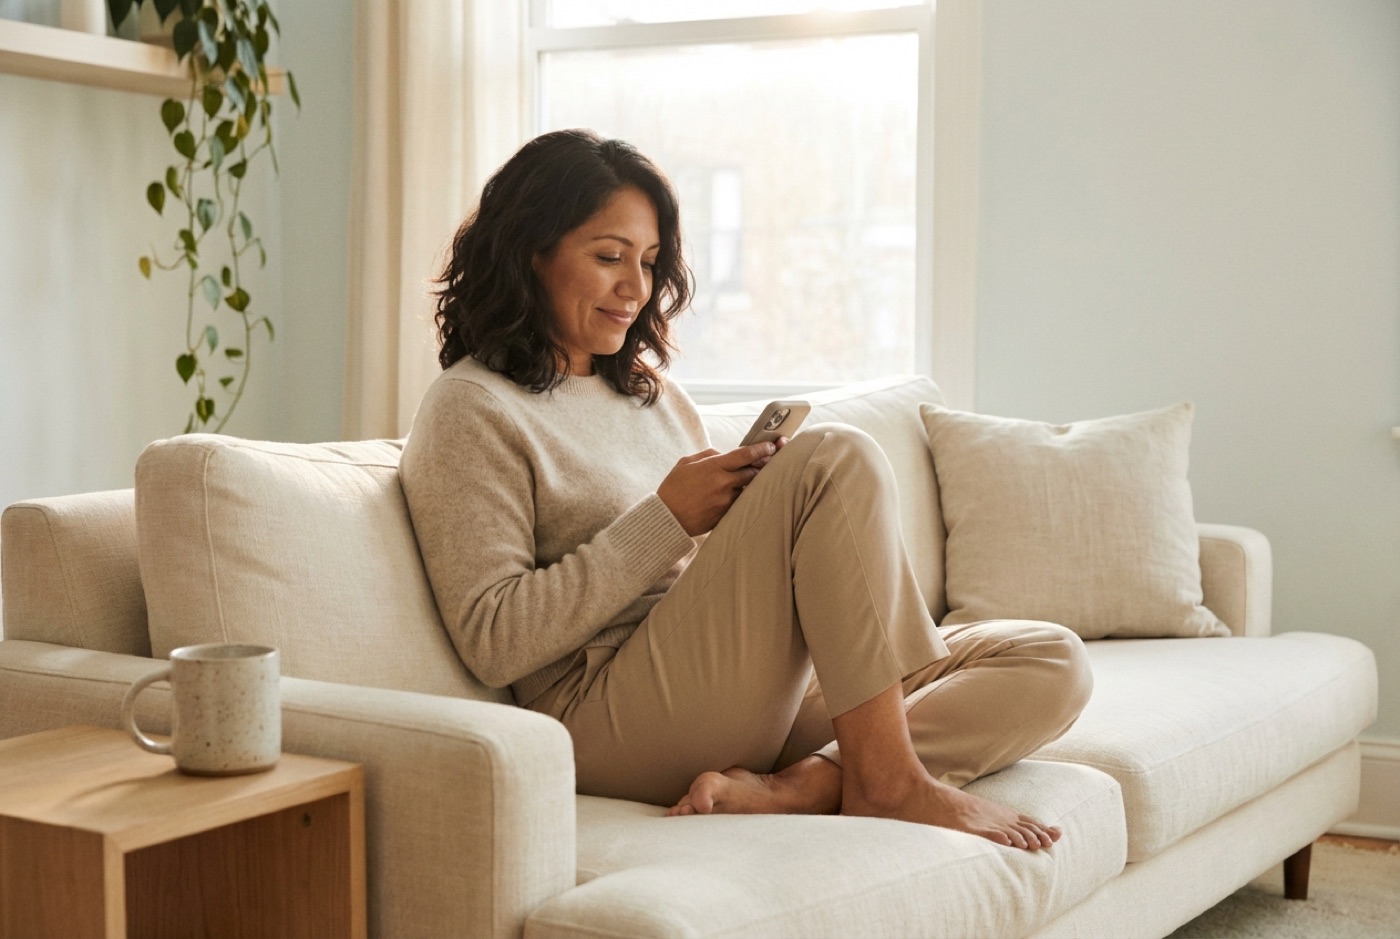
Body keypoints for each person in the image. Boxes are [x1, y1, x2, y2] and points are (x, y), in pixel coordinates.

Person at [399, 128, 1093, 851]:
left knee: (1049, 657)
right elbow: (493, 639)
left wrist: (737, 518)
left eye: (648, 261)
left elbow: (702, 581)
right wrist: (667, 519)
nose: (635, 287)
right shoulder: (470, 407)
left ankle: (817, 781)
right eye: (608, 257)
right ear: (529, 252)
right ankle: (888, 783)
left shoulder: (652, 396)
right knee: (833, 457)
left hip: (726, 692)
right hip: (598, 713)